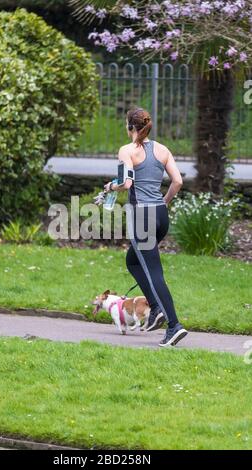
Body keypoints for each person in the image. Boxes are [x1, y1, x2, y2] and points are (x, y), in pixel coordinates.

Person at [104, 107, 188, 347]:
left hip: (142, 217)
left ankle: (174, 326)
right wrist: (163, 202)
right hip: (161, 215)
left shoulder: (127, 150)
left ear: (130, 127)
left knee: (154, 273)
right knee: (133, 261)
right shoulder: (162, 149)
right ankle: (157, 310)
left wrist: (110, 187)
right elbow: (178, 181)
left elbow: (126, 183)